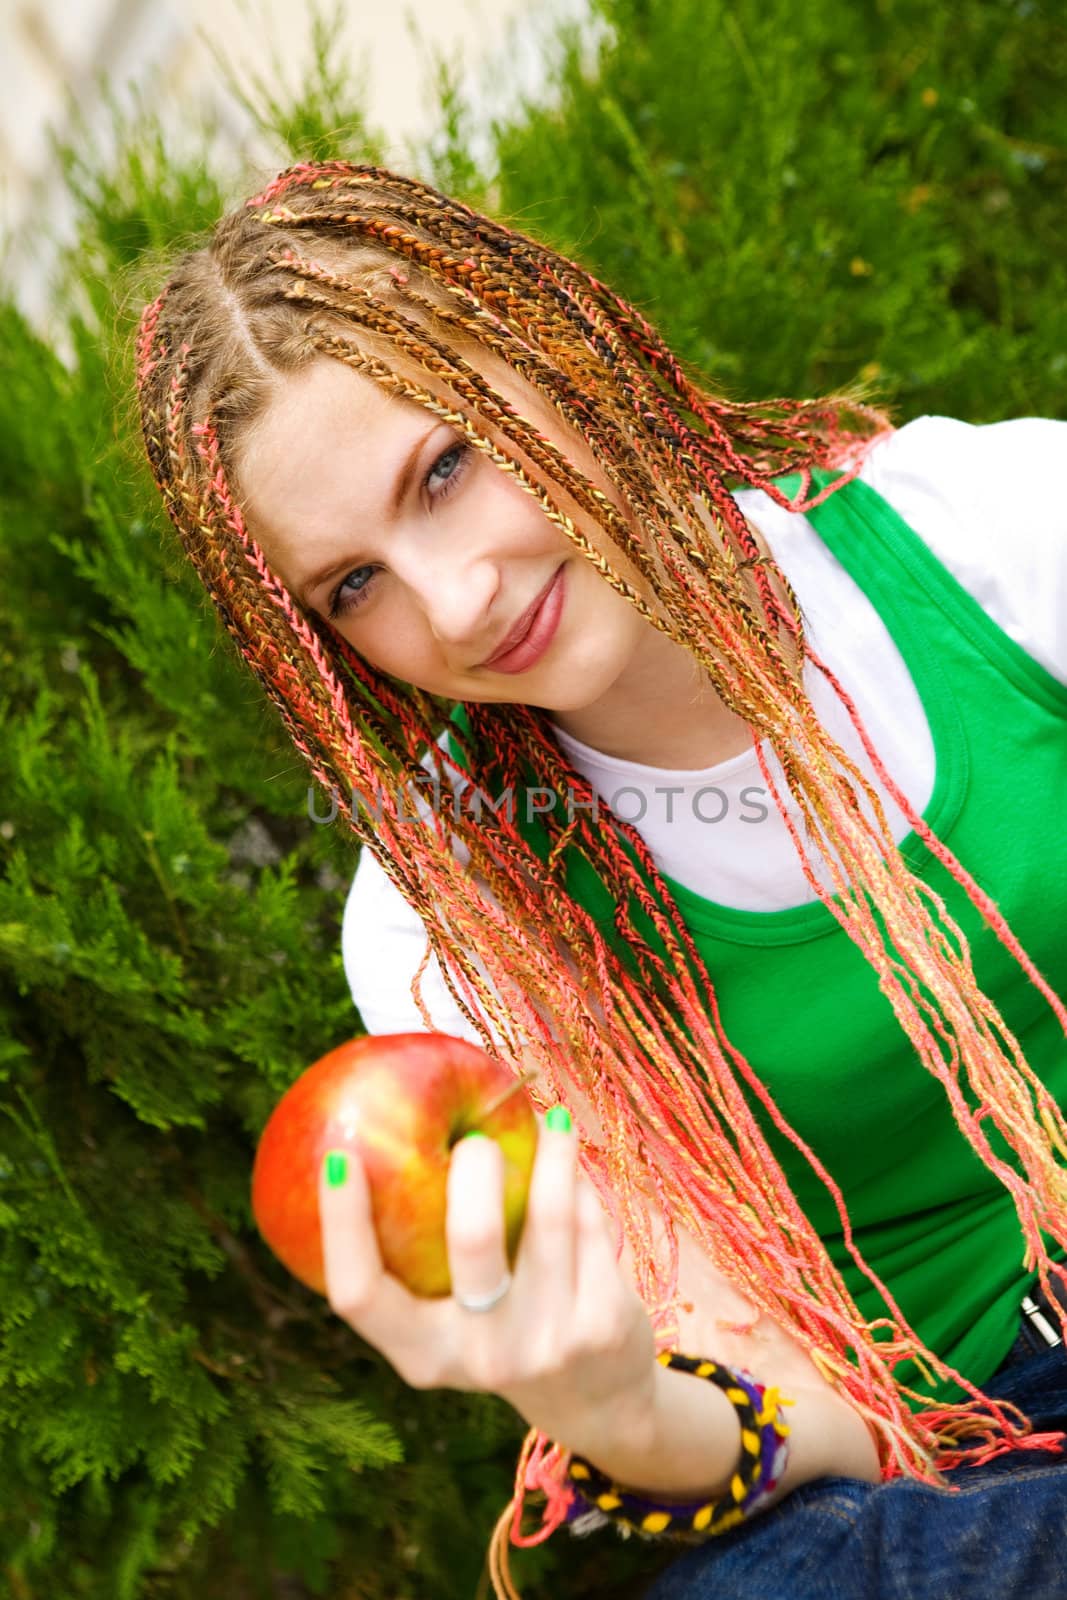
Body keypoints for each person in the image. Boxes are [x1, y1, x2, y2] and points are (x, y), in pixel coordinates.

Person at [134, 159, 1067, 1600]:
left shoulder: (983, 532)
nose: (452, 602)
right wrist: (619, 1410)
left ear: (548, 347)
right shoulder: (451, 920)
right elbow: (811, 1424)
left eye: (444, 471)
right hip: (962, 1460)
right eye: (356, 587)